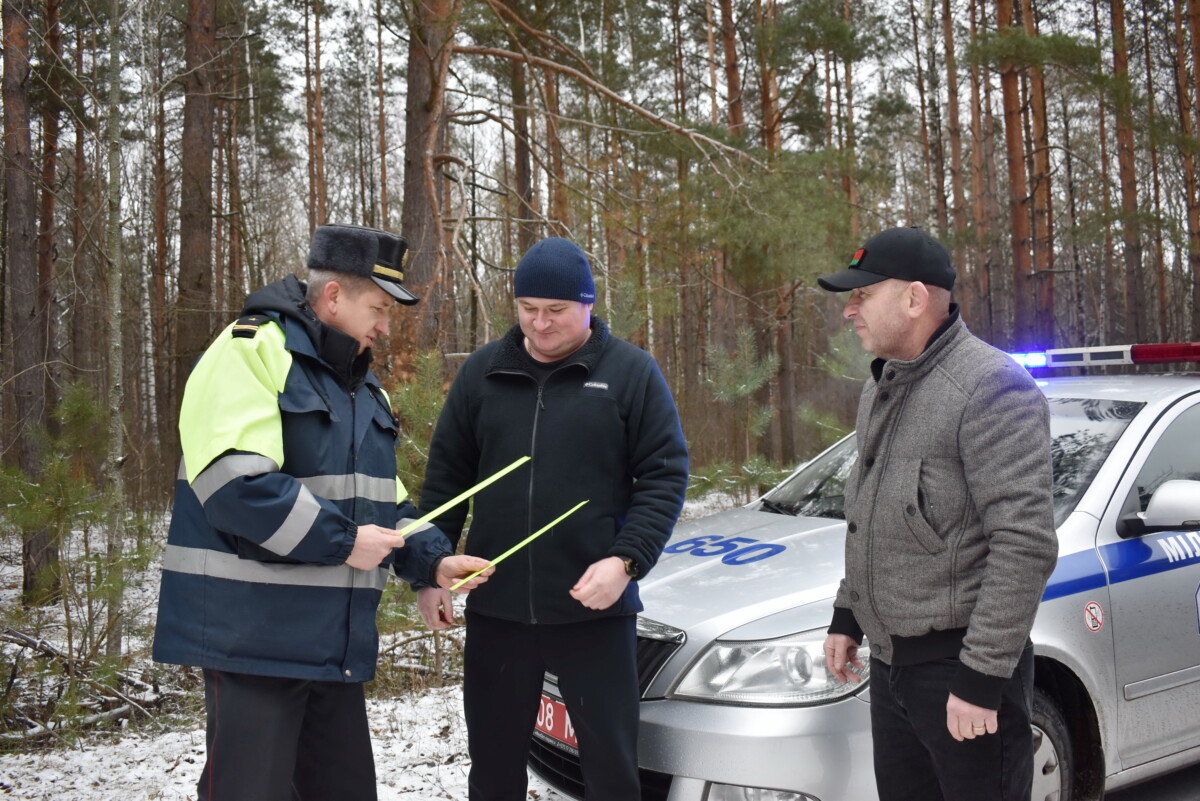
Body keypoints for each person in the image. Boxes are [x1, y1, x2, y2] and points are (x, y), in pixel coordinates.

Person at [153, 223, 493, 801]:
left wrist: (431, 563)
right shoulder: (251, 349)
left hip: (330, 647)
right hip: (254, 640)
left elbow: (381, 502)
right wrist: (342, 543)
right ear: (333, 297)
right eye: (379, 308)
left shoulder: (361, 386)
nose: (387, 326)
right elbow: (233, 483)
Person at [415, 236, 689, 801]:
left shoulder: (631, 372)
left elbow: (664, 476)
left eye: (556, 311)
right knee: (492, 766)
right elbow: (445, 483)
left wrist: (626, 560)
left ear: (588, 305)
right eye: (527, 309)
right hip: (498, 611)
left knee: (612, 769)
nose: (539, 325)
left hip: (595, 611)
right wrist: (428, 569)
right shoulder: (481, 374)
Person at [816, 226, 1058, 801]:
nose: (850, 311)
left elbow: (1024, 544)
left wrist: (980, 679)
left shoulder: (991, 387)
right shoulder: (882, 388)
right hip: (892, 667)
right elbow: (872, 514)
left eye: (862, 295)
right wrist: (848, 615)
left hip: (962, 673)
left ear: (914, 299)